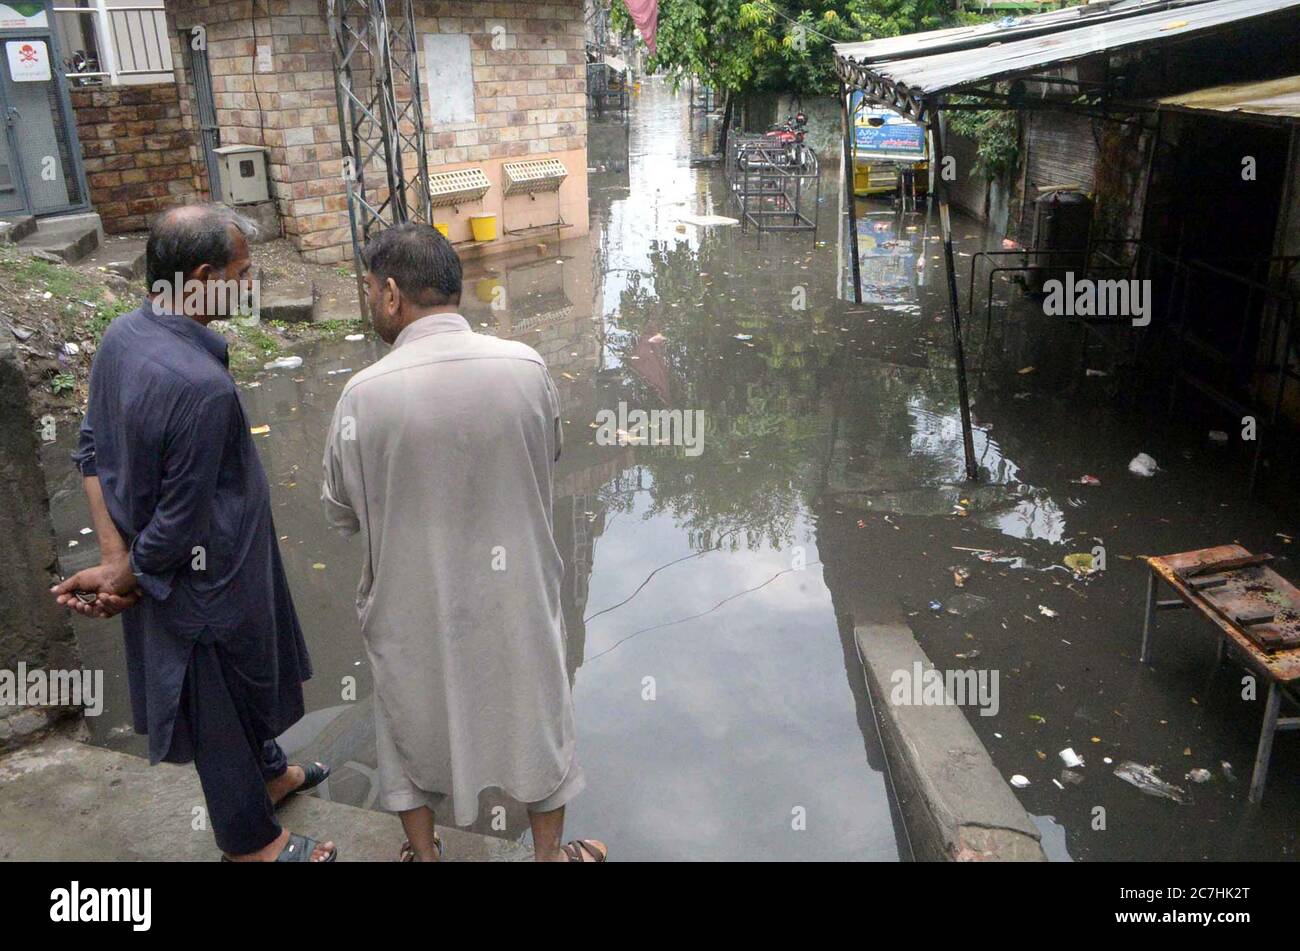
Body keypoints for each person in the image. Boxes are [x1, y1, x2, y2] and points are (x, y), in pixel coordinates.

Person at [51, 203, 335, 863]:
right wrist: (129, 575)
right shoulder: (200, 386)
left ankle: (267, 771)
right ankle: (252, 841)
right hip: (203, 575)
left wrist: (117, 559)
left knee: (241, 680)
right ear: (202, 276)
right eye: (244, 272)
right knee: (214, 692)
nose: (251, 282)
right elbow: (178, 520)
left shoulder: (123, 335)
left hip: (174, 561)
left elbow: (91, 448)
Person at [321, 223, 606, 863]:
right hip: (517, 596)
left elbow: (341, 511)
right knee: (538, 716)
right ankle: (550, 857)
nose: (371, 303)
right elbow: (548, 457)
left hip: (411, 603)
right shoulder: (527, 368)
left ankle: (426, 858)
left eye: (370, 290)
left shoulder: (361, 397)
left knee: (407, 726)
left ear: (392, 295)